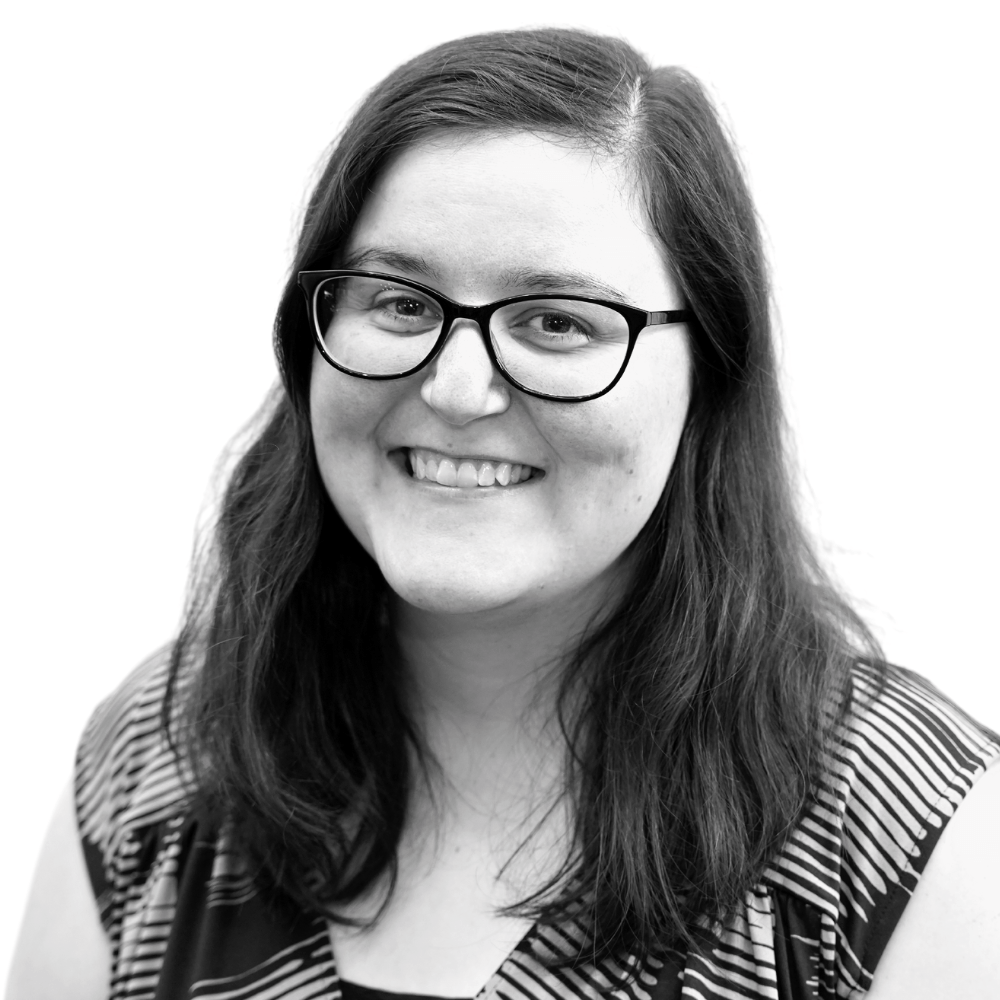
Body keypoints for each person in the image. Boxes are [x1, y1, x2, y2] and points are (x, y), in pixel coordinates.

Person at [8, 27, 1000, 1000]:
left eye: (557, 322)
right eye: (398, 301)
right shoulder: (163, 756)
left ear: (711, 371)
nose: (455, 387)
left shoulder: (906, 836)